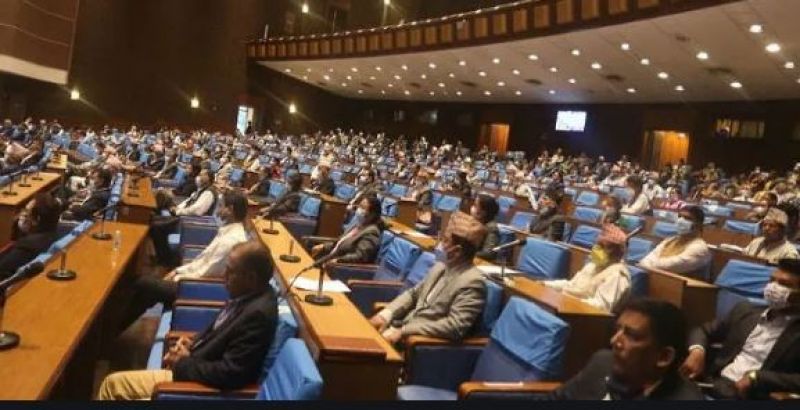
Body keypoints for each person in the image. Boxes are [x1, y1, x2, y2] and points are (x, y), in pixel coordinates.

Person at [98, 242, 278, 400]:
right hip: (195, 365)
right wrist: (191, 342)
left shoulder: (258, 314)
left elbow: (231, 374)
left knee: (111, 386)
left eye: (230, 271)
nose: (223, 275)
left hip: (195, 387)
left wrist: (182, 362)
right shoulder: (247, 296)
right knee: (113, 383)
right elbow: (217, 332)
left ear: (251, 278)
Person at [120, 192, 250, 332]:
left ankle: (114, 328)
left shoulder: (232, 240)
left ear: (230, 210)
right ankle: (115, 327)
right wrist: (178, 270)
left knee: (143, 284)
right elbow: (201, 260)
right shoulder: (227, 231)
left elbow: (206, 272)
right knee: (146, 291)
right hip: (191, 281)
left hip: (196, 289)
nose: (218, 210)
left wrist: (178, 278)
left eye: (221, 206)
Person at [680, 258, 800, 399]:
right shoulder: (745, 310)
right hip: (713, 383)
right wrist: (697, 351)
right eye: (772, 280)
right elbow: (704, 330)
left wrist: (759, 377)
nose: (773, 287)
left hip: (755, 394)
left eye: (784, 284)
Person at [549, 298, 704, 400]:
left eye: (632, 336)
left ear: (663, 357)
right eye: (617, 330)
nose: (614, 341)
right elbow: (556, 399)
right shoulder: (602, 362)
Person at [369, 212, 487, 343]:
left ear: (457, 251)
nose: (439, 244)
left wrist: (404, 331)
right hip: (399, 328)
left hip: (418, 343)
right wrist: (386, 314)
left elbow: (454, 326)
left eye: (445, 240)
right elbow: (413, 294)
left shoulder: (472, 282)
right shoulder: (440, 267)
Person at [545, 224, 632, 312]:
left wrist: (569, 300)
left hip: (581, 316)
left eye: (602, 246)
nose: (596, 248)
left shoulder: (617, 275)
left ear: (616, 252)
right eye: (597, 244)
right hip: (565, 306)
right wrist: (545, 285)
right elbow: (571, 285)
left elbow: (601, 307)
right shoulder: (593, 265)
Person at [639, 206, 712, 280]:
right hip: (659, 279)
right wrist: (646, 264)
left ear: (698, 224)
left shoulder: (699, 248)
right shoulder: (670, 240)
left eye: (687, 218)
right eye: (679, 216)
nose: (681, 220)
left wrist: (648, 265)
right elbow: (646, 259)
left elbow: (669, 266)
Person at [0, 193, 62, 278]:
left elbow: (2, 269)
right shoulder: (55, 233)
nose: (22, 215)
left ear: (36, 219)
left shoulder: (27, 246)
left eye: (26, 212)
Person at [311, 196, 383, 265]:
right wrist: (323, 246)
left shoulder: (372, 232)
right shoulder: (358, 225)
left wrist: (339, 261)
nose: (358, 209)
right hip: (328, 258)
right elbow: (339, 242)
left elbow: (359, 256)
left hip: (337, 266)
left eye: (363, 208)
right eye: (359, 206)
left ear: (372, 214)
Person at [470, 194, 501, 262]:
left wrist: (466, 253)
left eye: (475, 206)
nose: (472, 208)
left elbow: (489, 253)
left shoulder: (492, 227)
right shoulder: (473, 222)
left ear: (484, 212)